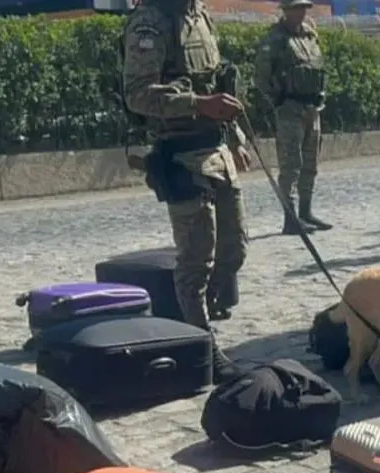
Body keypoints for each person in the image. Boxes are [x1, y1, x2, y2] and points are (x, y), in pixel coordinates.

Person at [121, 0, 250, 383]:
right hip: (180, 155)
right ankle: (203, 346)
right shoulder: (149, 22)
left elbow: (217, 82)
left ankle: (193, 316)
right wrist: (199, 105)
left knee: (235, 249)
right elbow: (138, 95)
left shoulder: (200, 14)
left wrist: (237, 135)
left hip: (217, 149)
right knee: (196, 261)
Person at [254, 0, 331, 235]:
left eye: (303, 8)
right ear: (285, 11)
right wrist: (278, 101)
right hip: (290, 108)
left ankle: (306, 212)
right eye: (295, 8)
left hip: (312, 107)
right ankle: (290, 218)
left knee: (310, 164)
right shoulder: (275, 40)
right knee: (291, 165)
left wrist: (321, 95)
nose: (300, 13)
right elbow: (261, 78)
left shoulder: (310, 36)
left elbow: (318, 68)